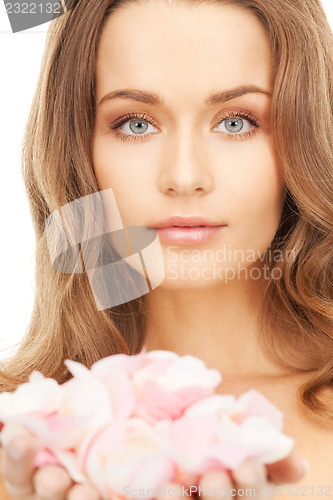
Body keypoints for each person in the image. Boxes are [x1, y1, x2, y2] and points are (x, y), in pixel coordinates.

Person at [1, 0, 333, 498]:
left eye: (237, 122)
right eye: (136, 123)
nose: (184, 178)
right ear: (78, 155)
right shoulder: (18, 439)